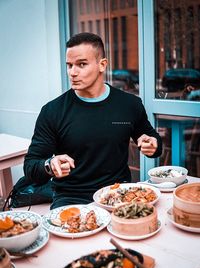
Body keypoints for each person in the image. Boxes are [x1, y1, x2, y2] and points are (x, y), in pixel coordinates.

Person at [24, 32, 162, 209]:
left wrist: (153, 144)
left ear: (102, 65)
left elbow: (152, 140)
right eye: (69, 65)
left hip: (118, 194)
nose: (72, 72)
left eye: (81, 64)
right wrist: (49, 165)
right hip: (71, 199)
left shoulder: (129, 104)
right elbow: (30, 167)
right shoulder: (52, 111)